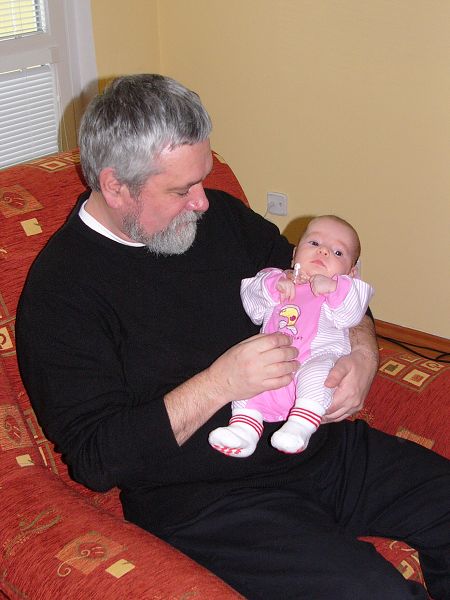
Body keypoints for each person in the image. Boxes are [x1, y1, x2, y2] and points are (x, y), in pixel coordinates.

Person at [16, 74, 449, 600]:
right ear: (115, 186)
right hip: (210, 501)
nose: (203, 202)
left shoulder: (221, 218)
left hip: (318, 447)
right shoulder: (61, 291)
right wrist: (220, 383)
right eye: (182, 190)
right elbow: (96, 458)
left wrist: (363, 355)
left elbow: (327, 285)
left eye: (203, 179)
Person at [209, 215, 374, 457]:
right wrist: (276, 284)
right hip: (273, 360)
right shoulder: (275, 277)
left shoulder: (344, 289)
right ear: (295, 253)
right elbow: (253, 306)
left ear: (351, 271)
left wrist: (334, 288)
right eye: (314, 243)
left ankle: (300, 426)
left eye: (338, 252)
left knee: (320, 376)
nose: (324, 251)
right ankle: (243, 429)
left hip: (316, 357)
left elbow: (351, 313)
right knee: (247, 382)